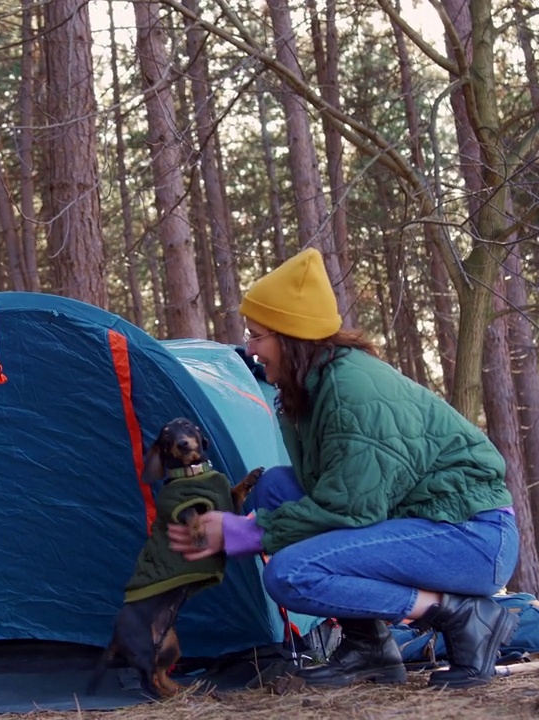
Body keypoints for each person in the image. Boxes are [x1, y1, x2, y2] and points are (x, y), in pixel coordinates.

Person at [168, 248, 519, 690]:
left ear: (292, 337)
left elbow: (351, 509)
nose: (251, 350)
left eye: (258, 336)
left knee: (291, 574)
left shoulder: (354, 393)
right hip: (431, 522)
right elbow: (327, 494)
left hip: (471, 537)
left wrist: (244, 533)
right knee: (276, 486)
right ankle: (369, 646)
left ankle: (460, 613)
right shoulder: (313, 387)